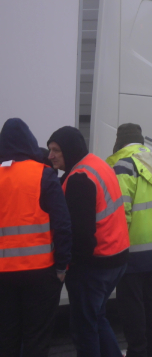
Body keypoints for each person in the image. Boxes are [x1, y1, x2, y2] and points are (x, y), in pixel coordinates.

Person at [47, 126, 129, 357]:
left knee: (84, 329)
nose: (50, 155)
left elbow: (81, 236)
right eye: (49, 149)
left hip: (95, 265)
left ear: (70, 151)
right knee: (96, 318)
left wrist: (68, 269)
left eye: (56, 150)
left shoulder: (79, 179)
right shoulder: (95, 164)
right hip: (116, 257)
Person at [0, 118, 72, 357]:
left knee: (7, 338)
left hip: (3, 276)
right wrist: (62, 266)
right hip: (41, 274)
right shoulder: (43, 174)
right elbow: (62, 224)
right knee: (37, 340)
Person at [106, 123, 152, 357]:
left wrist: (116, 244)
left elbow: (120, 209)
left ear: (120, 141)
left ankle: (137, 351)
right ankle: (151, 350)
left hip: (131, 247)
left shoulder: (124, 165)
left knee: (131, 306)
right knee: (151, 302)